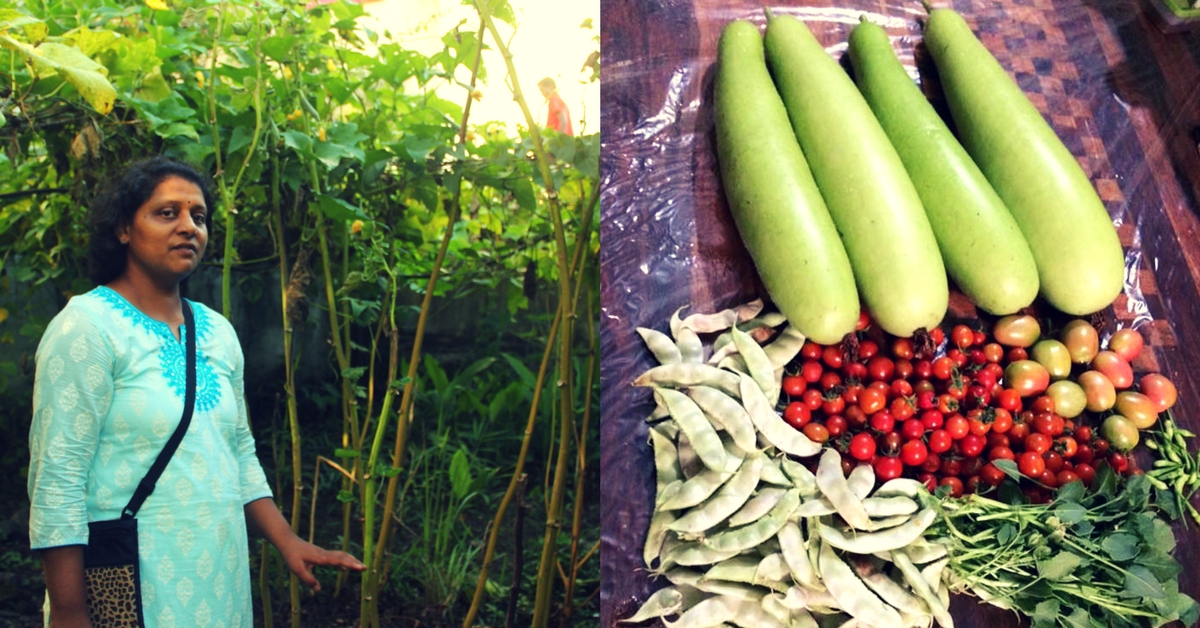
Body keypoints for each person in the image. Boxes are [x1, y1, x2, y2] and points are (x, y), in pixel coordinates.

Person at [27, 156, 365, 627]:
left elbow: (238, 453)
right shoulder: (86, 327)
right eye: (167, 213)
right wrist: (68, 610)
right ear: (125, 228)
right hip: (131, 580)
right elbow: (57, 478)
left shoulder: (217, 332)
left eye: (199, 216)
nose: (189, 227)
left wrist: (288, 541)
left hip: (220, 577)